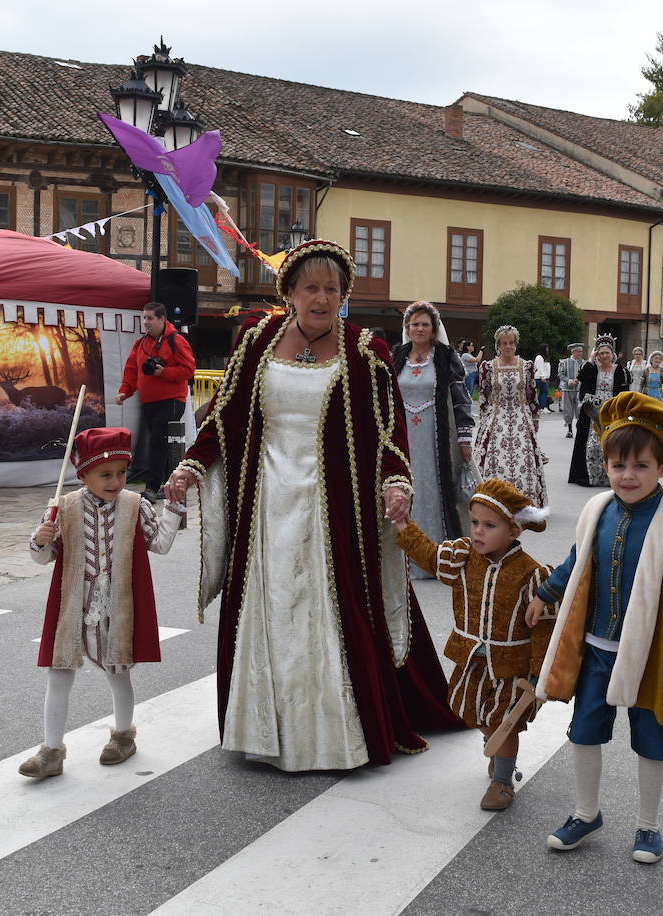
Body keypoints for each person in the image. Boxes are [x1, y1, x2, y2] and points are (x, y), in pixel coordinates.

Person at [165, 239, 460, 771]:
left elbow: (390, 433)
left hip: (334, 509)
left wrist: (396, 482)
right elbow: (224, 415)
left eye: (332, 289)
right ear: (290, 293)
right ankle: (267, 727)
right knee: (274, 607)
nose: (321, 298)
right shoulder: (256, 341)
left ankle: (334, 731)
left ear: (343, 295)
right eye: (310, 288)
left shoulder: (365, 351)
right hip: (266, 504)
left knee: (328, 608)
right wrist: (190, 465)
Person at [526, 393, 663, 862]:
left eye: (640, 465)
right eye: (618, 465)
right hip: (596, 647)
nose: (627, 476)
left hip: (653, 654)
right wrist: (546, 593)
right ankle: (585, 812)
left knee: (653, 740)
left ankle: (648, 826)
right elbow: (579, 563)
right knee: (584, 731)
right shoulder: (598, 511)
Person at [19, 427, 184, 779]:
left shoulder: (135, 506)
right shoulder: (63, 507)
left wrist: (173, 507)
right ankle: (51, 751)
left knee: (118, 673)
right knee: (58, 674)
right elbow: (42, 557)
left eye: (122, 473)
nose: (115, 481)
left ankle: (123, 736)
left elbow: (162, 543)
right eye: (105, 474)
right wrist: (40, 540)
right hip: (73, 607)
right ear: (84, 474)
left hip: (117, 607)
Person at [394, 478, 552, 811]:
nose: (478, 531)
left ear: (513, 531)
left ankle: (502, 781)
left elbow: (542, 629)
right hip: (472, 661)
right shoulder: (463, 556)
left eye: (489, 525)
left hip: (511, 668)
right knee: (473, 713)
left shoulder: (531, 574)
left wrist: (538, 676)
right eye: (475, 522)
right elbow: (429, 555)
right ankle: (497, 751)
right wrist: (403, 524)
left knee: (503, 723)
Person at [392, 301, 475, 579]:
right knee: (405, 488)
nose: (419, 328)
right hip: (405, 438)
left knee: (436, 489)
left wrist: (465, 439)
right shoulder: (398, 357)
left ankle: (439, 554)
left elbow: (462, 400)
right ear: (407, 328)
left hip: (437, 437)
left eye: (425, 324)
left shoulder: (444, 357)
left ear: (434, 328)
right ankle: (406, 555)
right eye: (414, 324)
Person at [115, 302, 196, 497]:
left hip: (172, 400)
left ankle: (151, 488)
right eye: (144, 318)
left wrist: (164, 372)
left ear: (162, 319)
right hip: (150, 401)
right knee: (162, 443)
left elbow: (188, 369)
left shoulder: (176, 340)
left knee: (158, 442)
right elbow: (132, 371)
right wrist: (125, 391)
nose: (145, 322)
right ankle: (168, 484)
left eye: (150, 318)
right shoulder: (141, 344)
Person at [475, 325, 548, 508]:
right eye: (504, 343)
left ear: (516, 344)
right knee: (493, 459)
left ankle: (525, 500)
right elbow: (484, 395)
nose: (508, 346)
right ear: (498, 345)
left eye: (511, 343)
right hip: (496, 417)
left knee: (525, 459)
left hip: (521, 417)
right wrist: (484, 421)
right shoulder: (488, 367)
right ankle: (494, 500)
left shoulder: (527, 366)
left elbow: (532, 393)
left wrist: (535, 417)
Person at [568, 335, 629, 487]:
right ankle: (589, 477)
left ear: (612, 353)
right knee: (592, 445)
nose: (603, 356)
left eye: (606, 353)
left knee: (610, 444)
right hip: (592, 412)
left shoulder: (620, 371)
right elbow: (581, 378)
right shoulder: (592, 368)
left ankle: (611, 478)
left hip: (611, 412)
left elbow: (624, 393)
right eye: (600, 353)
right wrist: (590, 359)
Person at [558, 343, 586, 438]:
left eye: (581, 351)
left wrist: (580, 381)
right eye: (578, 351)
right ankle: (569, 430)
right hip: (567, 389)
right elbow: (561, 375)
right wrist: (569, 381)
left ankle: (580, 429)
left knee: (580, 410)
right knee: (568, 410)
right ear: (573, 352)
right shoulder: (564, 362)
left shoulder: (584, 363)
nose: (580, 353)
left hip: (580, 390)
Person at [533, 345, 552, 411]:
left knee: (542, 392)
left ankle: (540, 406)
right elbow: (539, 367)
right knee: (545, 392)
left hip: (544, 377)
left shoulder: (544, 357)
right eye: (546, 348)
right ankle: (543, 407)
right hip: (540, 378)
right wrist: (542, 377)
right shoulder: (539, 357)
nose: (547, 350)